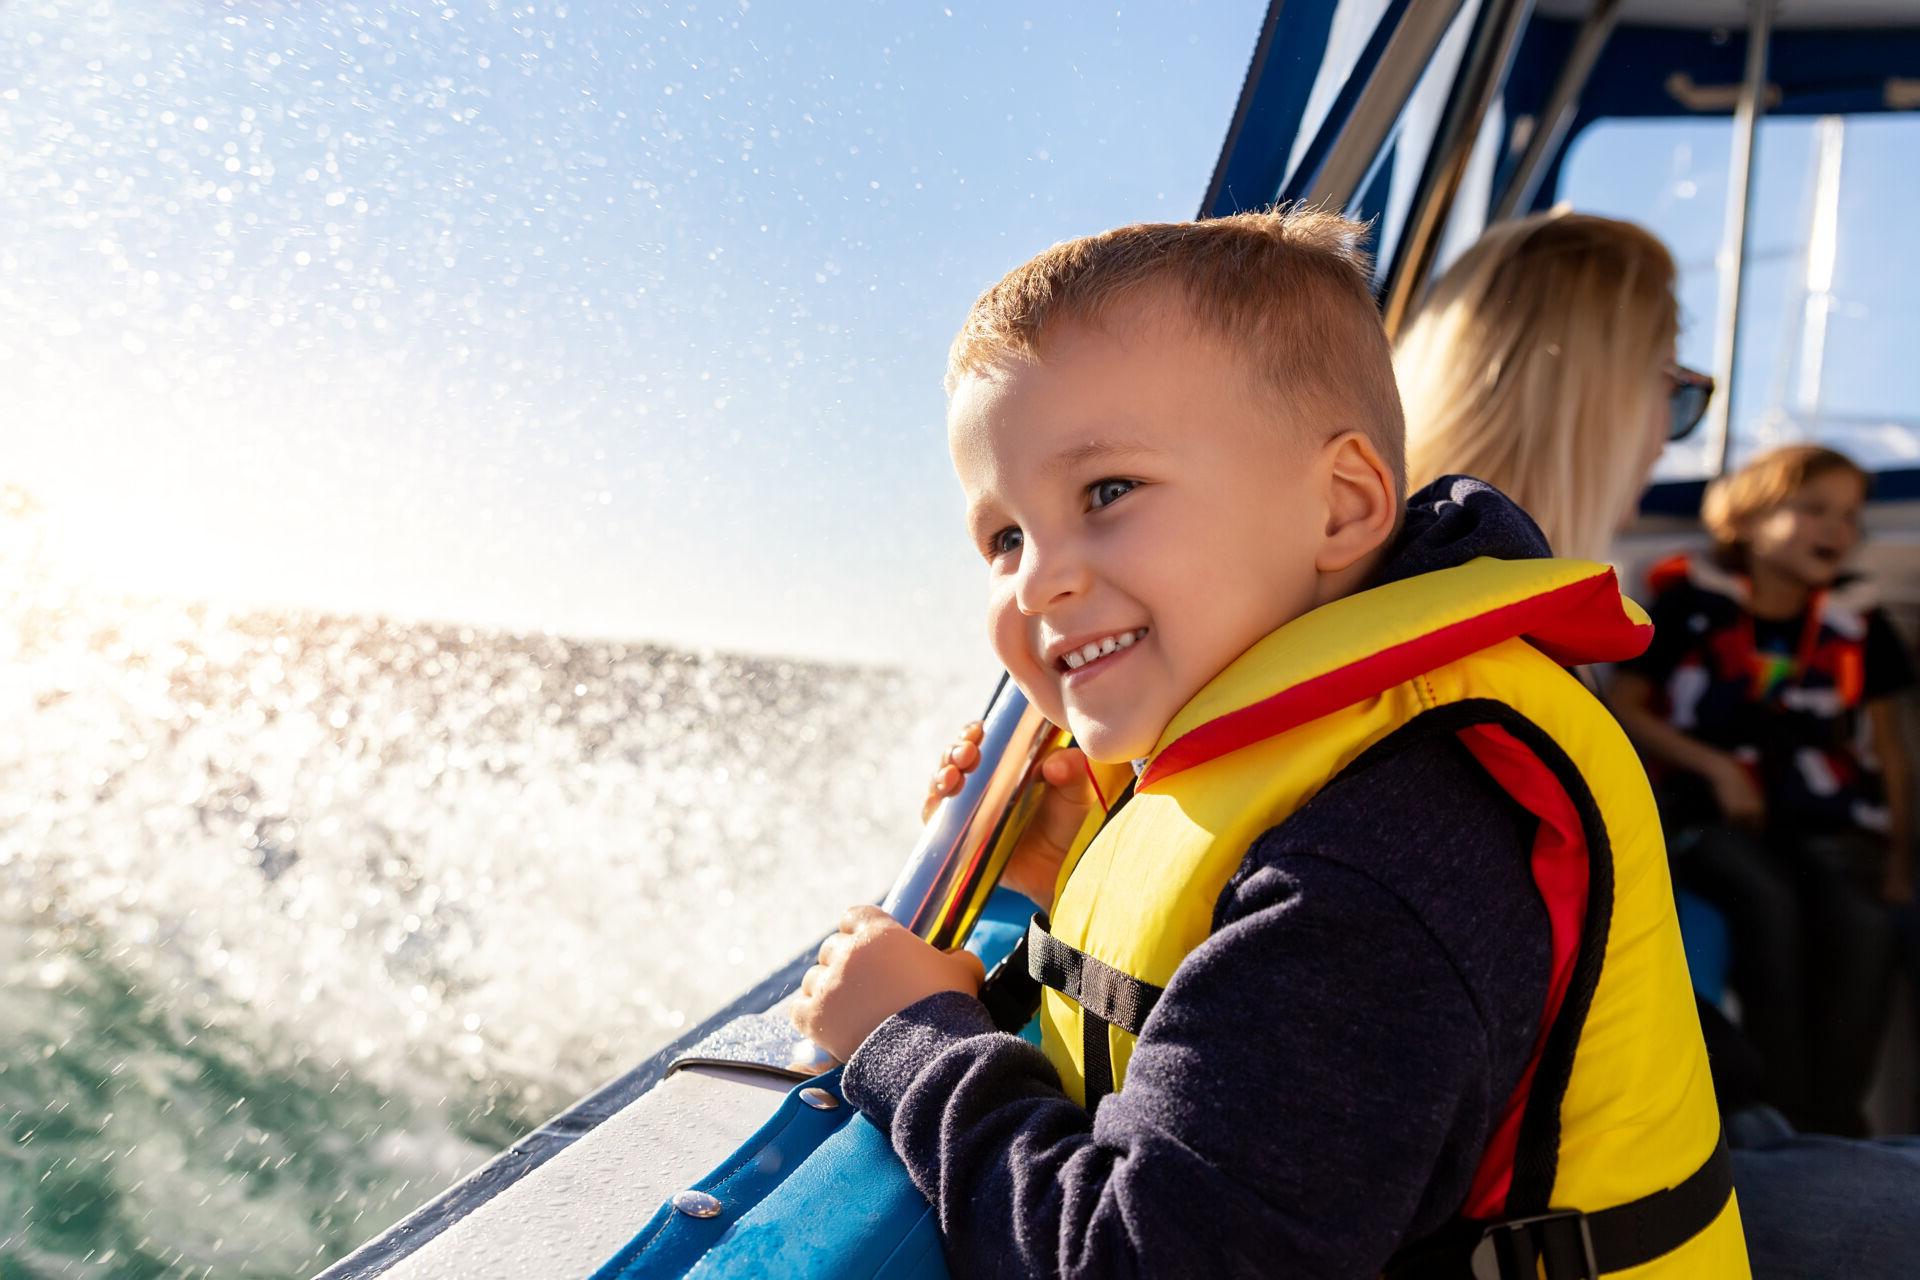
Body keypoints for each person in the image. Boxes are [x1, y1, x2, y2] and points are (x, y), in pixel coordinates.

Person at [789, 208, 1745, 1277]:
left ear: (1342, 507)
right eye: (1003, 534)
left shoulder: (1379, 849)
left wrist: (912, 1040)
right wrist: (1079, 875)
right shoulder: (1341, 798)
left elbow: (1148, 1258)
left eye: (1108, 491)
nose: (1037, 577)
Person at [1392, 209, 1920, 1275]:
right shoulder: (1482, 667)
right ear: (1594, 398)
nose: (1660, 436)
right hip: (1585, 1203)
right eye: (1670, 395)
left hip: (1670, 1122)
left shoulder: (1474, 626)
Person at [1608, 444, 1910, 1136]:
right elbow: (1625, 706)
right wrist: (1715, 767)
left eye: (1850, 517)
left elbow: (1890, 753)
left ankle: (1835, 1127)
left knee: (1864, 927)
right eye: (1812, 510)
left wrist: (1898, 860)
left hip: (1821, 826)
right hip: (1708, 819)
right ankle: (1777, 1122)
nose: (1836, 529)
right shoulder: (1689, 606)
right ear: (1746, 519)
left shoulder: (1862, 626)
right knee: (1766, 902)